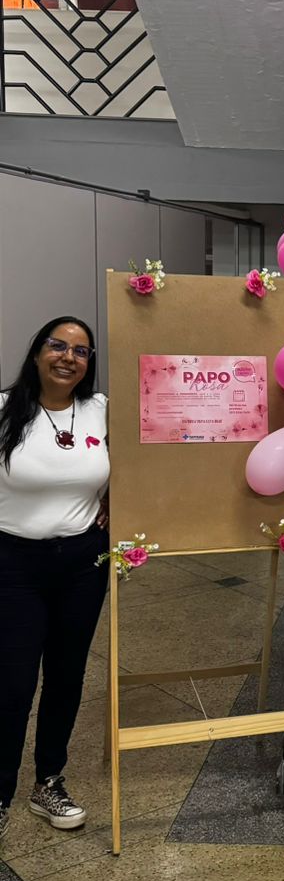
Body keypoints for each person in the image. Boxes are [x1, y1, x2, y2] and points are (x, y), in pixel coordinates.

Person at [0, 317, 111, 840]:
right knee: (13, 684)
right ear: (37, 352)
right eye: (58, 346)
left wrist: (118, 503)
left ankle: (48, 782)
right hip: (13, 565)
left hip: (83, 564)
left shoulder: (100, 410)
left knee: (66, 677)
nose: (68, 357)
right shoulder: (5, 409)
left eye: (81, 351)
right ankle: (0, 792)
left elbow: (136, 462)